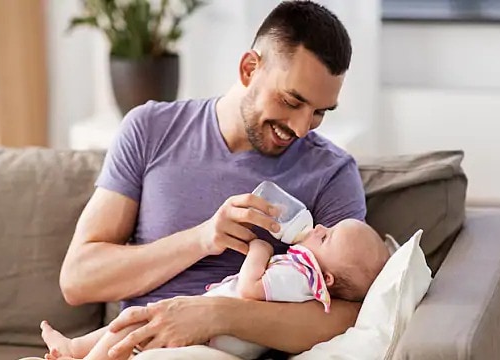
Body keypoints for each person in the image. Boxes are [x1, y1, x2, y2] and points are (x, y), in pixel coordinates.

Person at [58, 1, 367, 358]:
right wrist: (202, 239)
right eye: (291, 101)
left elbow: (348, 316)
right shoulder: (150, 129)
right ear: (250, 68)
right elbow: (78, 279)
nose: (301, 128)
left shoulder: (331, 173)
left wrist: (218, 315)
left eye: (318, 113)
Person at [41, 219, 390, 360]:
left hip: (210, 338)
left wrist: (261, 248)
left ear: (327, 278)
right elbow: (75, 280)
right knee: (132, 325)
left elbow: (253, 288)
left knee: (132, 325)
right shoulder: (307, 276)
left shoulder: (301, 276)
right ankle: (76, 348)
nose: (318, 226)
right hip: (200, 328)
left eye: (326, 236)